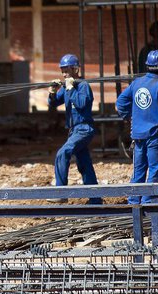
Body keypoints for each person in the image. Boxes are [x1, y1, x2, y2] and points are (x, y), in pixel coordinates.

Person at [116, 50, 158, 204]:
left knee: (138, 172)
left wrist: (129, 118)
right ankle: (150, 205)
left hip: (138, 136)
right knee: (155, 171)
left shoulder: (136, 83)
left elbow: (121, 103)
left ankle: (134, 203)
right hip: (155, 135)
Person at [47, 54, 102, 205]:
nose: (64, 74)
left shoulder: (83, 85)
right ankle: (96, 199)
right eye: (62, 71)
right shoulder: (66, 87)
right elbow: (53, 103)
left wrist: (71, 89)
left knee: (62, 153)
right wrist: (52, 92)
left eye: (67, 70)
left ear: (75, 69)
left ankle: (60, 192)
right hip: (74, 130)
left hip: (84, 129)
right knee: (85, 164)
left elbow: (82, 104)